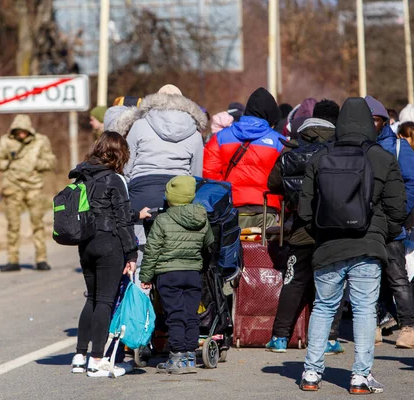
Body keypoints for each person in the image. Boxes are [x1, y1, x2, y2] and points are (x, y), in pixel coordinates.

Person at [298, 97, 407, 393]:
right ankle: (360, 377)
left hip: (328, 246)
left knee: (323, 307)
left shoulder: (320, 158)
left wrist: (323, 231)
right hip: (368, 245)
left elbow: (305, 211)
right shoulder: (383, 158)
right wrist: (383, 233)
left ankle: (310, 373)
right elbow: (398, 209)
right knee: (364, 310)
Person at [266, 99, 342, 354]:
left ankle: (279, 338)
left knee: (294, 280)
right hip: (333, 228)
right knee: (331, 282)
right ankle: (329, 339)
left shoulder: (293, 146)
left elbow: (274, 182)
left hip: (299, 226)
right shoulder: (339, 147)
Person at [117, 84, 206, 280]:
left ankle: (140, 303)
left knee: (139, 259)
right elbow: (196, 175)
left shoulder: (140, 125)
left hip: (142, 195)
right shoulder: (195, 132)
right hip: (177, 199)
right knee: (173, 259)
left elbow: (127, 167)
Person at [69, 131, 138, 378]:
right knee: (105, 301)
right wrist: (131, 254)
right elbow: (121, 221)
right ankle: (97, 359)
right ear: (120, 154)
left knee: (92, 298)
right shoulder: (115, 179)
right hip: (109, 244)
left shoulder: (81, 175)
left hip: (85, 244)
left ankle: (79, 356)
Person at [366, 95, 414, 349]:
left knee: (398, 278)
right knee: (370, 277)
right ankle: (374, 325)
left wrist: (397, 212)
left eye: (376, 119)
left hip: (392, 226)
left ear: (384, 121)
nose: (371, 124)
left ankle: (407, 328)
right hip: (366, 225)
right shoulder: (359, 146)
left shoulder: (398, 147)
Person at [139, 176, 214, 374]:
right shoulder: (202, 217)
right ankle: (190, 356)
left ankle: (177, 356)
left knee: (175, 315)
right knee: (191, 315)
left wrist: (145, 276)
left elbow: (152, 250)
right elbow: (209, 245)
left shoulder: (162, 220)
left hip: (168, 274)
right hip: (192, 273)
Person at [203, 87, 285, 229]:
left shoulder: (219, 138)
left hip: (232, 209)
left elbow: (209, 173)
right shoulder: (280, 142)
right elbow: (284, 179)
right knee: (264, 251)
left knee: (233, 250)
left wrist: (226, 196)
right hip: (267, 209)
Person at [0, 114, 56, 272]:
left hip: (34, 186)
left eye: (24, 131)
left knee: (37, 223)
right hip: (12, 186)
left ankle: (41, 259)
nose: (21, 134)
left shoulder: (40, 141)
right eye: (18, 131)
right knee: (13, 225)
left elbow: (51, 161)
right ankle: (12, 260)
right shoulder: (6, 141)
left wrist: (35, 164)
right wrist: (11, 163)